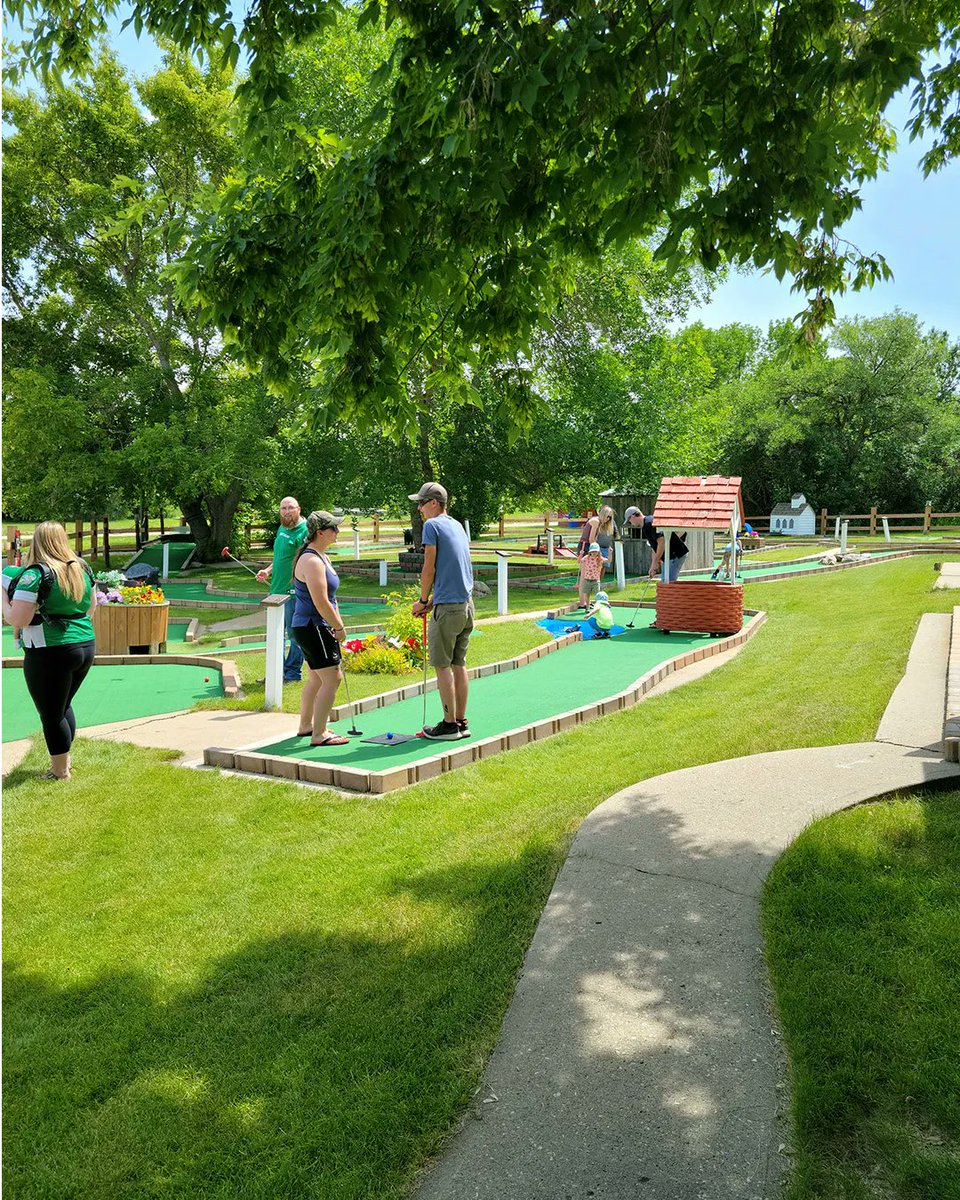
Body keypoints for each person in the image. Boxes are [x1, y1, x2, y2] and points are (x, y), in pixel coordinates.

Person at [1, 521, 97, 779]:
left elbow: (17, 619)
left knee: (51, 713)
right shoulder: (81, 569)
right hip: (85, 645)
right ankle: (65, 762)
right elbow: (91, 608)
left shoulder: (35, 574)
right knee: (63, 706)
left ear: (38, 541)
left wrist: (2, 595)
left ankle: (59, 772)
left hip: (50, 649)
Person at [409, 481, 474, 740]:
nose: (419, 508)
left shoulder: (432, 525)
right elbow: (457, 570)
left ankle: (448, 725)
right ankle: (460, 722)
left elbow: (429, 566)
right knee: (459, 664)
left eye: (422, 503)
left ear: (434, 503)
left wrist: (424, 599)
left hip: (448, 610)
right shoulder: (457, 525)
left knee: (442, 666)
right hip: (466, 606)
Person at [289, 511, 349, 746]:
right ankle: (319, 733)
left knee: (315, 678)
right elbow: (321, 602)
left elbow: (332, 599)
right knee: (332, 678)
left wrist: (337, 620)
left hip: (312, 625)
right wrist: (339, 627)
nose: (337, 532)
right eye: (333, 528)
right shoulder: (312, 560)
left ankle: (306, 726)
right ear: (320, 532)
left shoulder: (321, 557)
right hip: (313, 625)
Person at [256, 496, 309, 683]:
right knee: (275, 635)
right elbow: (281, 557)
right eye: (283, 508)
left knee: (294, 634)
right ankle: (275, 673)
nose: (286, 511)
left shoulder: (304, 532)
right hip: (276, 591)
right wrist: (268, 570)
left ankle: (292, 674)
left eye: (290, 508)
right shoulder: (282, 527)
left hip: (293, 592)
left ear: (299, 509)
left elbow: (307, 562)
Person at [623, 506, 688, 582]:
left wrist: (655, 562)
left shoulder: (650, 523)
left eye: (629, 520)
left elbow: (661, 542)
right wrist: (653, 566)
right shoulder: (645, 526)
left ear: (633, 516)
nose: (630, 522)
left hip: (676, 554)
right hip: (670, 556)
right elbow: (654, 548)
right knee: (665, 581)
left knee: (668, 583)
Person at [577, 541, 606, 608]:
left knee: (597, 594)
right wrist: (581, 554)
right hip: (587, 579)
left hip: (596, 580)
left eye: (595, 552)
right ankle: (587, 607)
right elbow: (578, 561)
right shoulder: (586, 558)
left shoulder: (599, 559)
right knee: (587, 594)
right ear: (590, 552)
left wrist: (610, 553)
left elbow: (608, 560)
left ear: (598, 552)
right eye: (592, 552)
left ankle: (598, 606)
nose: (594, 553)